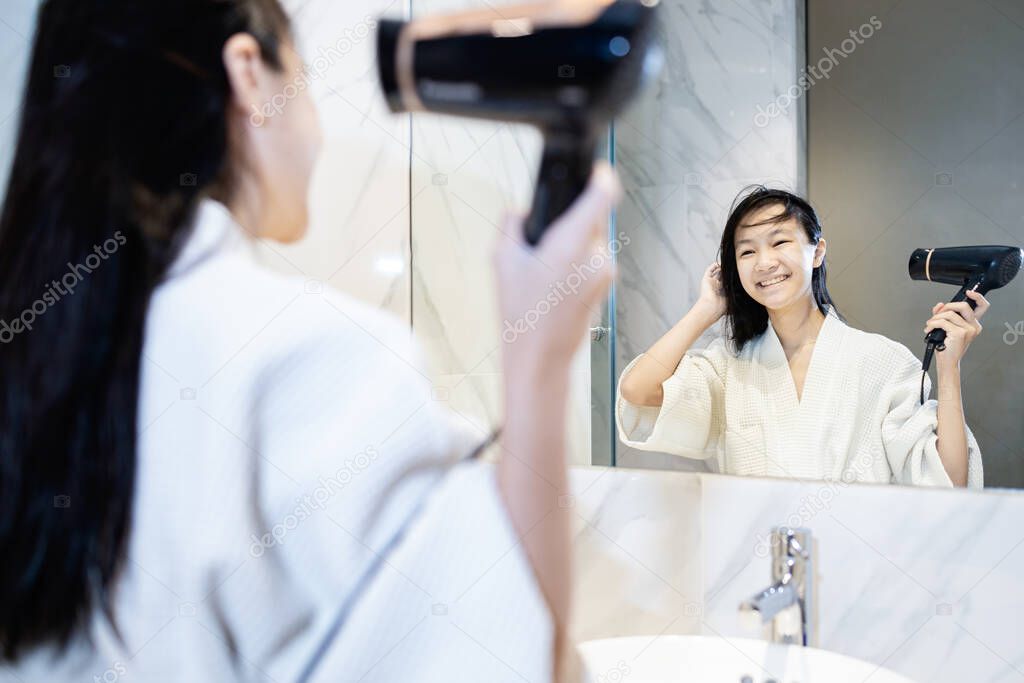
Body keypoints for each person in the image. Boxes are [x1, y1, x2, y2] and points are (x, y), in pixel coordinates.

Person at [0, 1, 621, 681]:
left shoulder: (40, 361)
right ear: (249, 75)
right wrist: (540, 360)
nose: (319, 133)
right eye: (302, 81)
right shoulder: (302, 361)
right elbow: (519, 663)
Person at [617, 186, 986, 488]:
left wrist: (948, 365)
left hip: (855, 567)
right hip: (758, 563)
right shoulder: (729, 366)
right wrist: (705, 310)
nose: (764, 262)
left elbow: (948, 481)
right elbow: (637, 390)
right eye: (747, 251)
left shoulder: (881, 361)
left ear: (817, 252)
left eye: (779, 243)